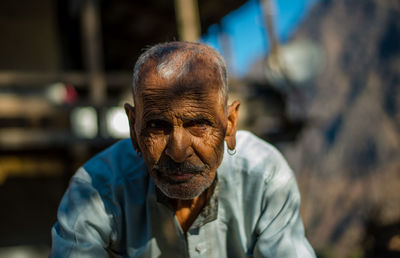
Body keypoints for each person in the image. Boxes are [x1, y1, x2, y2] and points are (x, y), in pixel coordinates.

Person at [51, 41, 315, 257]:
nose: (178, 151)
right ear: (134, 128)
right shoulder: (96, 189)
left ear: (230, 124)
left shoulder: (265, 177)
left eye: (199, 124)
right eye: (157, 125)